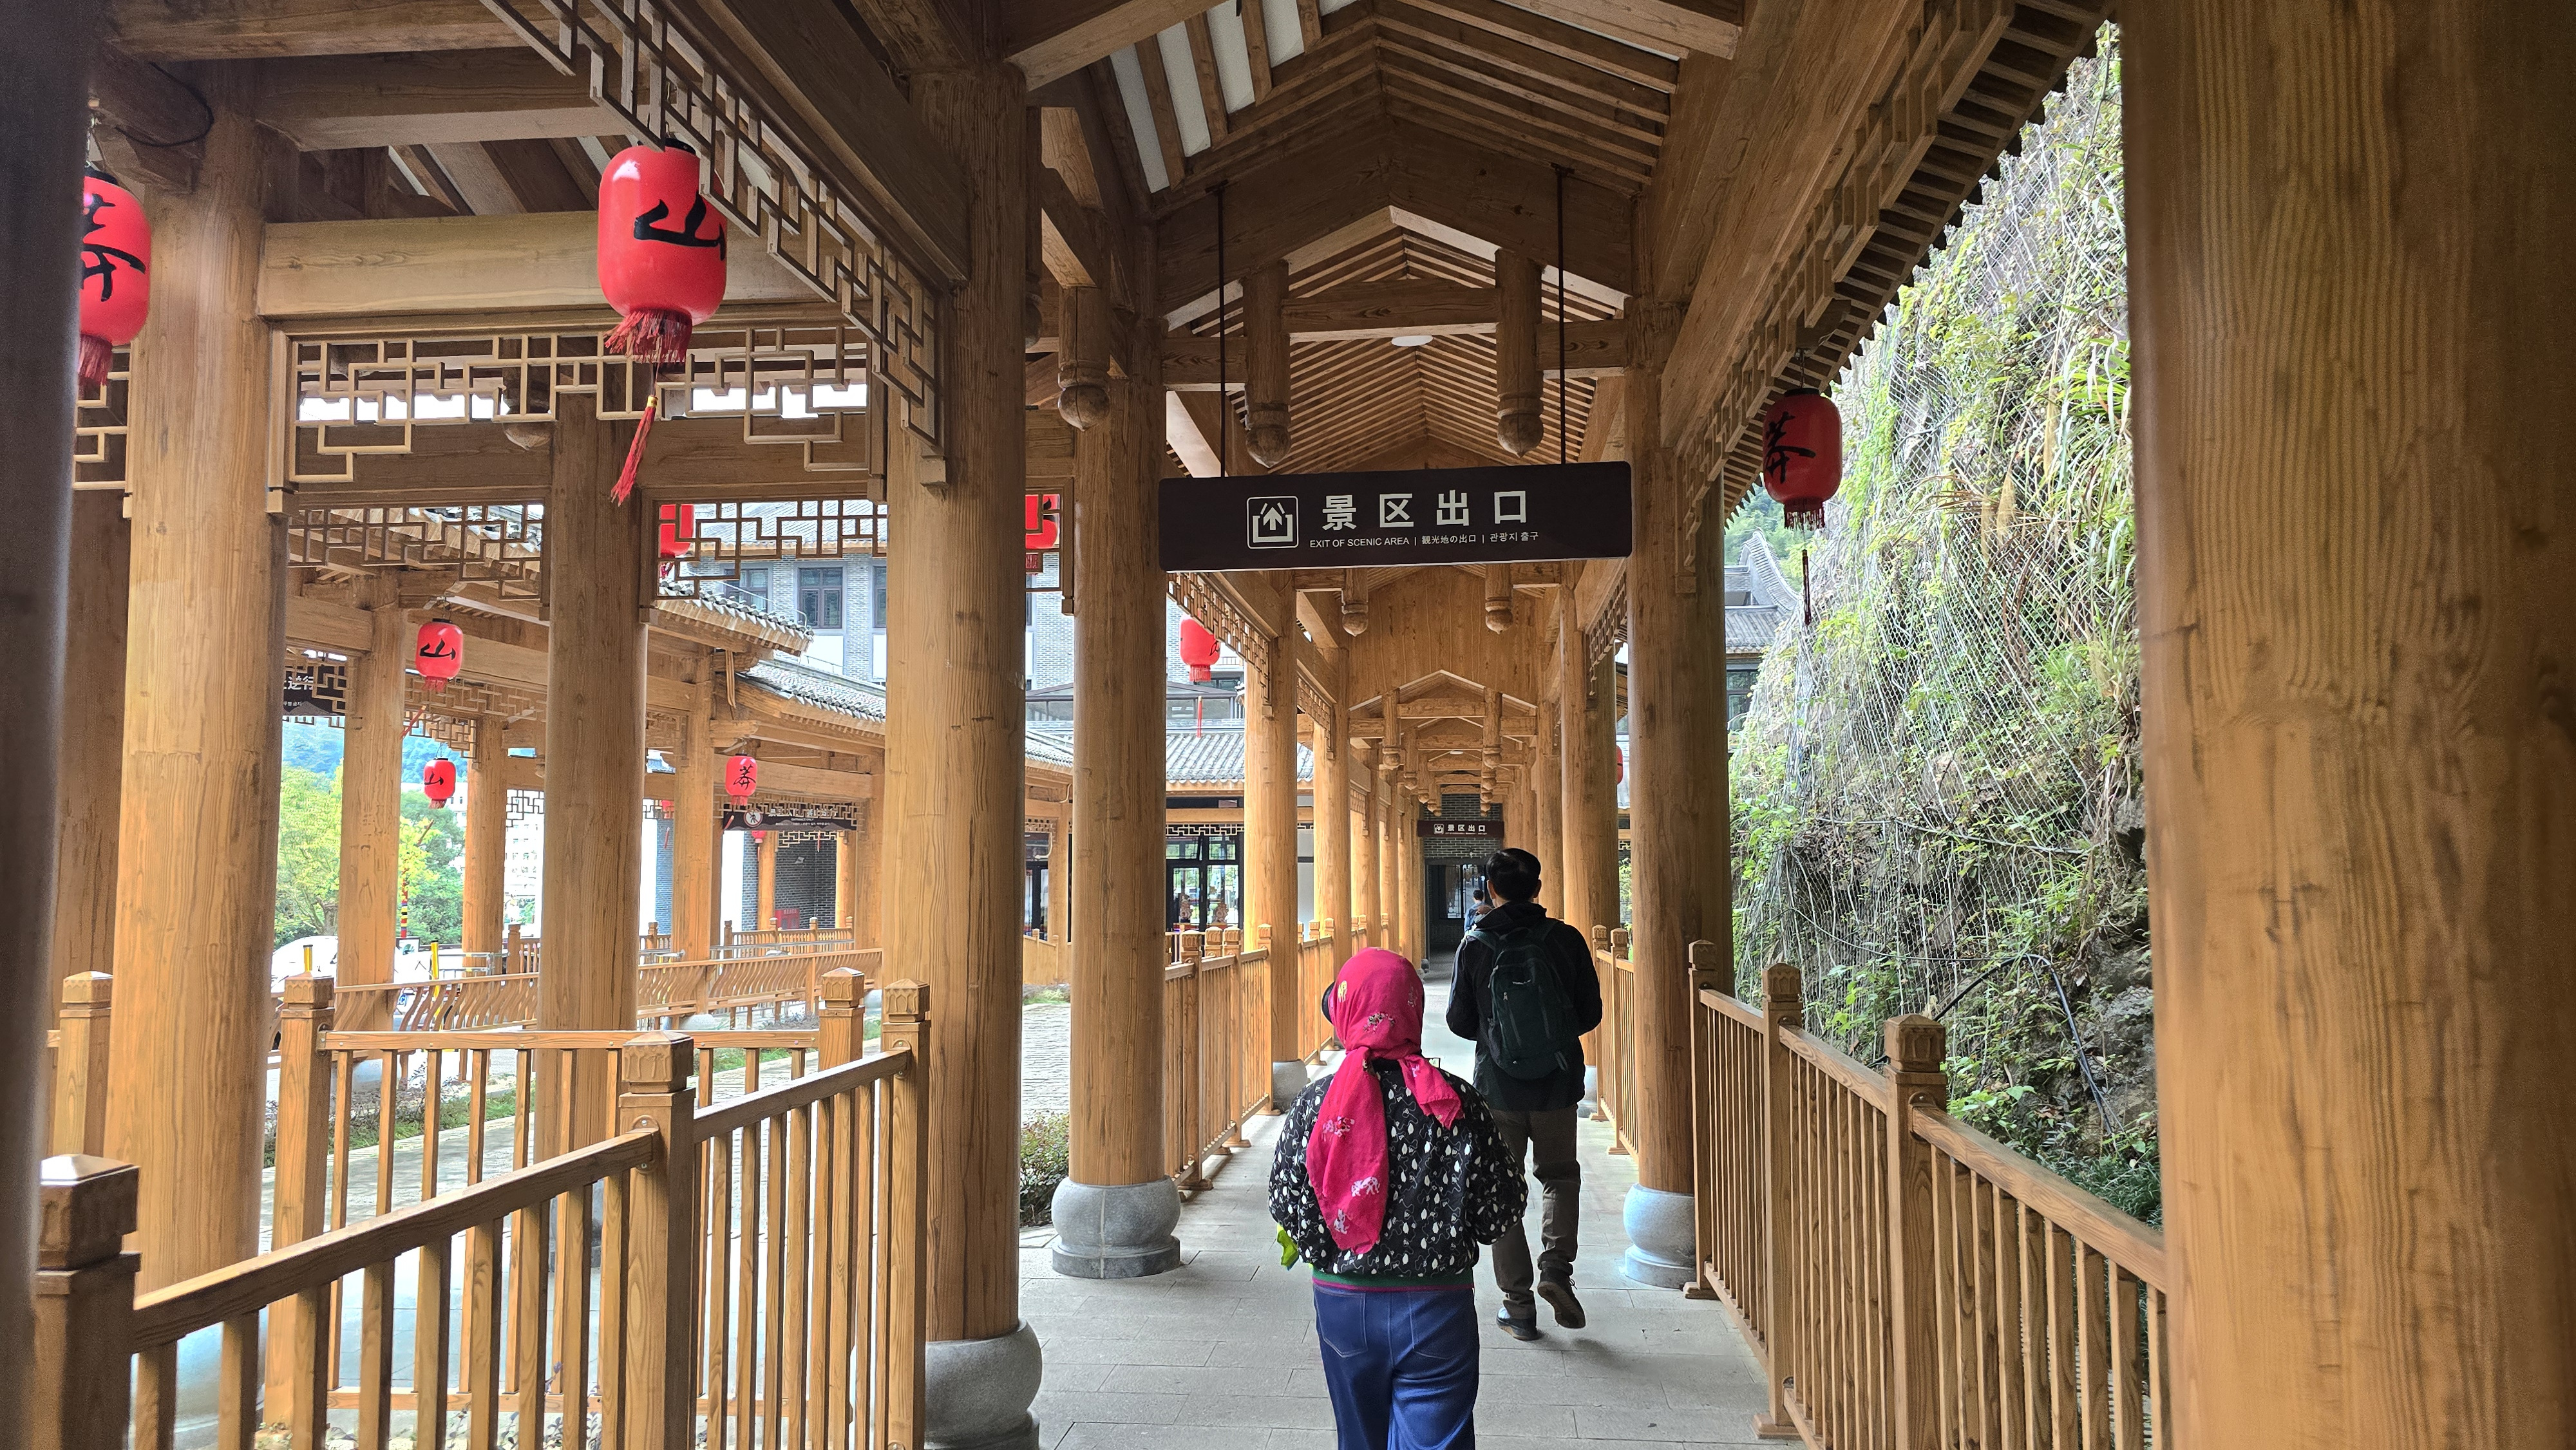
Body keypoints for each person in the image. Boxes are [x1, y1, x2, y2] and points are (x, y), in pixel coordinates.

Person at [1273, 949, 1526, 1449]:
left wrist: (1328, 1247)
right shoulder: (1457, 1103)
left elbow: (1287, 1202)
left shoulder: (1314, 1105)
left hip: (1343, 1305)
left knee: (1359, 1440)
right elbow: (1500, 1212)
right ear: (1412, 1009)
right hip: (1437, 1308)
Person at [1443, 847, 1603, 1340]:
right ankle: (1556, 1268)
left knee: (1503, 1188)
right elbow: (1590, 1012)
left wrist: (1501, 1038)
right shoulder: (1565, 939)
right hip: (1557, 1083)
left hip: (1498, 1089)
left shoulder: (1476, 944)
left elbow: (1458, 1020)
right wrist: (1548, 1039)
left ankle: (1518, 1305)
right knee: (1560, 1176)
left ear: (1491, 889)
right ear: (1537, 888)